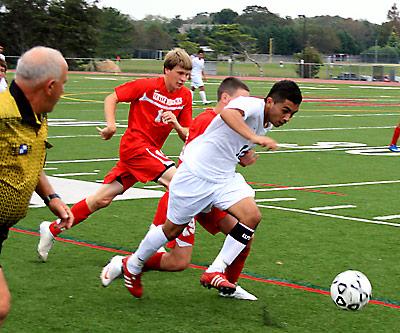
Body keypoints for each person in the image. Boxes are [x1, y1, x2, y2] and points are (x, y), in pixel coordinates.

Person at [114, 80, 302, 299]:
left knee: (252, 216)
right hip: (195, 175)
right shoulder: (250, 105)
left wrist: (244, 153)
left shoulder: (267, 122)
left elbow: (228, 141)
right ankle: (134, 264)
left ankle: (215, 270)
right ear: (269, 101)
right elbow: (228, 115)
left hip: (223, 178)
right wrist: (254, 138)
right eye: (285, 110)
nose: (287, 118)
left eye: (292, 114)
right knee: (170, 230)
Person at [37, 48, 193, 262]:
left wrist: (176, 124)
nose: (184, 79)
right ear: (166, 70)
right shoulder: (146, 86)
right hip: (135, 147)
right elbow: (112, 97)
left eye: (187, 74)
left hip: (148, 154)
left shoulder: (185, 96)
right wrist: (111, 126)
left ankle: (52, 229)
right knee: (179, 183)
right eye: (180, 73)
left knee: (101, 199)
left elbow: (187, 135)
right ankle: (155, 244)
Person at [0, 46, 73, 326]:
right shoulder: (2, 115)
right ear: (50, 86)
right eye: (63, 85)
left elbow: (30, 159)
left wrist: (51, 197)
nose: (63, 92)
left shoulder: (38, 117)